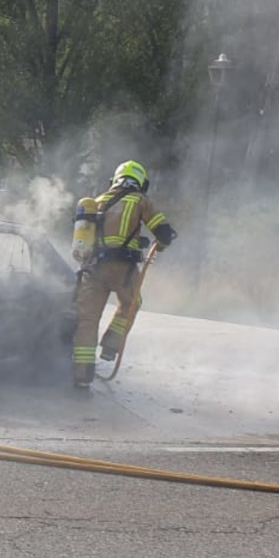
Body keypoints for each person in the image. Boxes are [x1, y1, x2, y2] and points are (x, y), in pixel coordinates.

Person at [71, 160, 177, 391]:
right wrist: (161, 242)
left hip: (92, 269)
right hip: (122, 268)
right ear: (140, 181)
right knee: (131, 303)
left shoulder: (96, 202)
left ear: (115, 180)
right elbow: (164, 233)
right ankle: (110, 345)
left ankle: (81, 376)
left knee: (87, 320)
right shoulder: (139, 200)